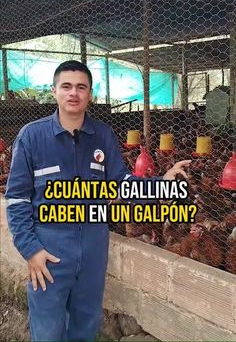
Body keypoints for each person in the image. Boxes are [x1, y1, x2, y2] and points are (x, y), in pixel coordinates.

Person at [5, 60, 191, 342]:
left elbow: (121, 183)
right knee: (47, 329)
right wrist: (30, 249)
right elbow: (17, 199)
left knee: (86, 323)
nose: (73, 93)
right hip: (50, 247)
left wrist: (162, 184)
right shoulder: (32, 136)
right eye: (66, 86)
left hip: (94, 243)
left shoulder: (102, 134)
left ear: (90, 94)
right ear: (54, 91)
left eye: (81, 87)